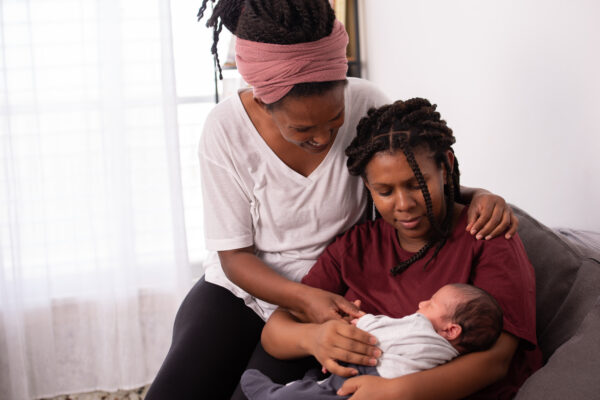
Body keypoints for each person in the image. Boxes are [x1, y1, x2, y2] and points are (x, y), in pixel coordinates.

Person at [145, 1, 518, 399]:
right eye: (302, 129)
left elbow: (400, 178)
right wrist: (306, 300)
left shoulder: (366, 102)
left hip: (335, 287)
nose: (323, 139)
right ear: (262, 101)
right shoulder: (225, 129)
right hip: (245, 290)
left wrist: (479, 195)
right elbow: (234, 257)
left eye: (334, 121)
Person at [260, 98, 542, 400]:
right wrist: (314, 338)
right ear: (368, 188)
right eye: (385, 191)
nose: (404, 205)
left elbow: (496, 362)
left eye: (416, 184)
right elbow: (274, 332)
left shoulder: (487, 235)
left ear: (446, 166)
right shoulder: (355, 247)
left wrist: (395, 392)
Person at [241, 283, 503, 400]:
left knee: (304, 397)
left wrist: (359, 319)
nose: (422, 304)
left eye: (432, 303)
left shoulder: (421, 326)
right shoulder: (450, 357)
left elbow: (384, 332)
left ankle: (271, 395)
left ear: (451, 330)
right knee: (321, 386)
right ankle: (310, 381)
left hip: (370, 373)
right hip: (378, 378)